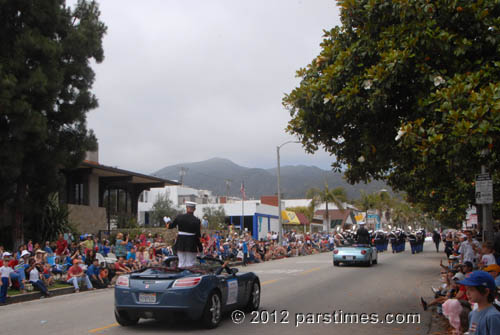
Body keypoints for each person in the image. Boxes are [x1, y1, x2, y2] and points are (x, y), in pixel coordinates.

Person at [166, 201, 203, 268]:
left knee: (181, 262)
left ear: (186, 208)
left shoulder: (179, 217)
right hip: (191, 243)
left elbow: (170, 226)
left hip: (180, 242)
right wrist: (200, 248)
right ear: (194, 209)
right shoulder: (197, 220)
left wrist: (167, 222)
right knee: (190, 263)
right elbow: (198, 235)